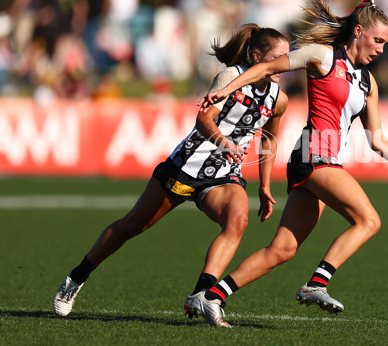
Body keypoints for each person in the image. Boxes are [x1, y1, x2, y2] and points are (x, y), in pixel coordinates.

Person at [195, 0, 388, 327]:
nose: (382, 49)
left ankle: (211, 297)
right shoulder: (323, 56)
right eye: (378, 40)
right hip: (314, 155)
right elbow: (268, 67)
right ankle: (317, 284)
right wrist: (227, 89)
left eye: (386, 43)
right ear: (358, 31)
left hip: (324, 160)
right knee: (369, 221)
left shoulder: (369, 82)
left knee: (282, 251)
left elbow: (377, 139)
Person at [52, 24, 290, 317]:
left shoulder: (278, 99)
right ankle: (76, 278)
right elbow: (203, 120)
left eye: (287, 57)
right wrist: (223, 142)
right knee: (132, 226)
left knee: (237, 220)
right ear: (255, 55)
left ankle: (201, 295)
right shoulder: (231, 77)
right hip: (186, 167)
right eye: (278, 57)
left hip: (223, 174)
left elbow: (270, 140)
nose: (285, 64)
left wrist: (265, 186)